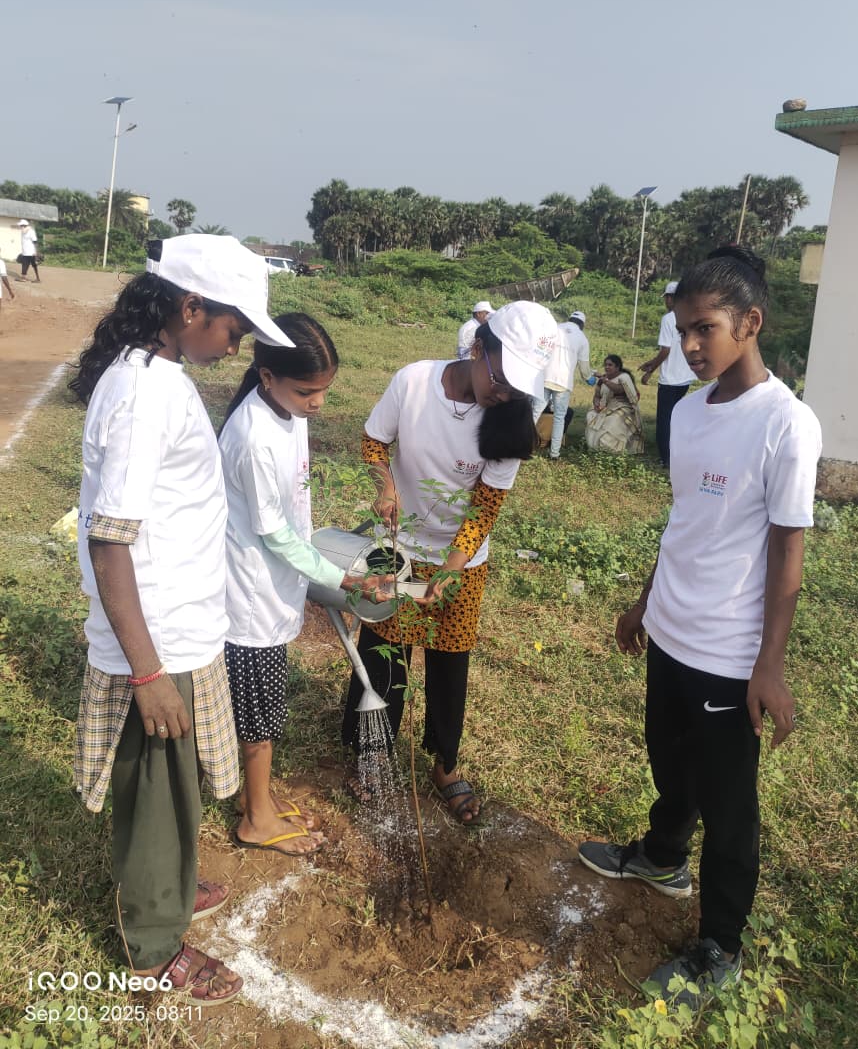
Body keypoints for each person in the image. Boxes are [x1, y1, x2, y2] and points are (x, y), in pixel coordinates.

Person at [578, 246, 821, 1005]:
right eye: (682, 329)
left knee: (728, 803)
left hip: (728, 650)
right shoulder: (685, 412)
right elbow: (685, 520)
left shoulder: (786, 423)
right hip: (671, 629)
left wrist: (769, 666)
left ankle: (720, 944)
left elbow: (787, 550)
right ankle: (662, 857)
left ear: (750, 323)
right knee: (669, 759)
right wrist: (645, 602)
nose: (688, 345)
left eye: (704, 328)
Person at [70, 234, 295, 1005]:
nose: (238, 345)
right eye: (235, 327)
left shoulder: (159, 375)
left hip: (181, 625)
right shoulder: (143, 395)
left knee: (174, 790)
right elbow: (110, 540)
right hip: (157, 638)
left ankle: (169, 880)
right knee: (156, 796)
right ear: (191, 307)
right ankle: (154, 947)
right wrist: (147, 672)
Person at [342, 300, 557, 823]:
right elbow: (374, 441)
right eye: (500, 380)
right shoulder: (414, 382)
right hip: (398, 546)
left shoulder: (510, 420)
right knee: (383, 652)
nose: (503, 395)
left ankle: (444, 762)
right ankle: (372, 753)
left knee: (449, 661)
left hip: (461, 559)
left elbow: (485, 508)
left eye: (517, 389)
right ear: (478, 348)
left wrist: (451, 569)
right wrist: (385, 486)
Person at [218, 312, 393, 856]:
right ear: (267, 376)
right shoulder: (253, 437)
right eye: (306, 391)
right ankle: (256, 818)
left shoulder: (288, 412)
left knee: (267, 705)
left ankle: (258, 797)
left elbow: (292, 512)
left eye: (324, 391)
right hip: (251, 594)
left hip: (277, 582)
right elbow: (275, 536)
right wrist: (345, 579)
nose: (317, 403)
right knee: (259, 712)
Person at [639, 280, 694, 466]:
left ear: (672, 298)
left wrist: (650, 371)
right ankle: (677, 454)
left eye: (667, 298)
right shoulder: (690, 316)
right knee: (676, 418)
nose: (666, 302)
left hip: (670, 379)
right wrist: (651, 362)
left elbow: (665, 351)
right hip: (685, 378)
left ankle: (666, 459)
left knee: (664, 421)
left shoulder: (668, 319)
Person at [532, 310, 594, 459]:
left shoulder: (554, 328)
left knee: (534, 412)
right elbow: (584, 368)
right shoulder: (582, 338)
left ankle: (520, 445)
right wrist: (590, 378)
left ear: (569, 319)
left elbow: (540, 349)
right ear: (582, 325)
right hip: (563, 383)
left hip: (545, 377)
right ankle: (554, 453)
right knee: (559, 418)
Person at [584, 354, 644, 454]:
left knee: (613, 420)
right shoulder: (603, 379)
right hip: (606, 407)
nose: (607, 367)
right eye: (605, 365)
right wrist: (596, 403)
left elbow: (618, 389)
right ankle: (595, 446)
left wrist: (604, 380)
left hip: (623, 407)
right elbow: (597, 395)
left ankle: (612, 449)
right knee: (591, 415)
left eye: (610, 365)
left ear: (617, 367)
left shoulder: (624, 377)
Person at [16, 219, 41, 283]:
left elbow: (35, 242)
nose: (20, 227)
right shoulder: (23, 232)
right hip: (25, 252)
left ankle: (37, 278)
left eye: (21, 225)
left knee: (33, 265)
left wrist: (36, 252)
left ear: (24, 225)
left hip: (31, 252)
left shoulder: (31, 231)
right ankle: (24, 278)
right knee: (25, 264)